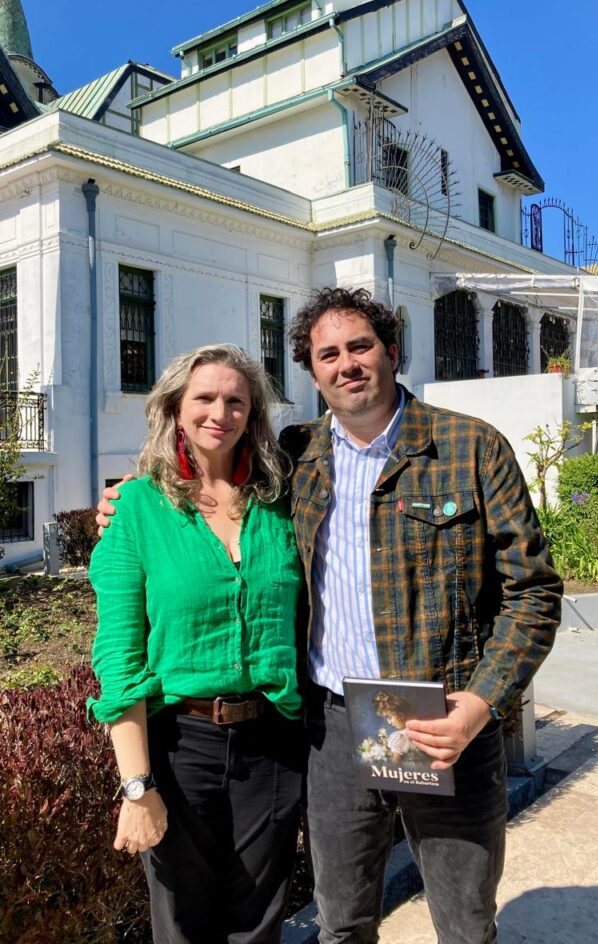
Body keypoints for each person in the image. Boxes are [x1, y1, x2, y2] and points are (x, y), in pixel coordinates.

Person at [97, 288, 563, 944]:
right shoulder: (298, 460)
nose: (347, 364)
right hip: (334, 728)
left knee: (464, 923)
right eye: (328, 354)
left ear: (392, 351)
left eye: (360, 346)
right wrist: (124, 503)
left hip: (440, 717)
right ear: (312, 373)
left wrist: (480, 705)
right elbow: (200, 490)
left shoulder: (470, 448)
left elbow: (533, 592)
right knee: (340, 923)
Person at [87, 343, 305, 944]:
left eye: (237, 401)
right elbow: (119, 657)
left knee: (258, 926)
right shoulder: (136, 507)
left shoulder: (281, 502)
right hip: (180, 746)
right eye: (205, 398)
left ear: (253, 413)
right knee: (182, 927)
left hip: (273, 745)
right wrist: (137, 787)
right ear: (175, 409)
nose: (220, 412)